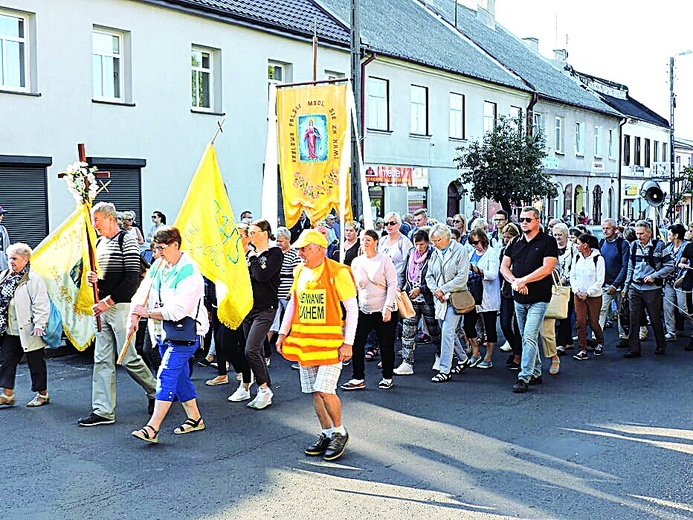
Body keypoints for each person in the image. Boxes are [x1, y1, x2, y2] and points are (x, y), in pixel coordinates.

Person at [276, 229, 358, 461]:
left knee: (325, 389)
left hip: (331, 344)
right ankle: (326, 432)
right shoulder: (299, 271)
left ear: (320, 249)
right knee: (315, 391)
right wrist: (282, 334)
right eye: (300, 248)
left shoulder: (338, 272)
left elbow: (352, 309)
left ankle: (340, 432)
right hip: (306, 344)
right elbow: (293, 303)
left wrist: (348, 343)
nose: (300, 253)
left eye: (305, 248)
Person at [77, 202, 157, 427]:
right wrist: (95, 280)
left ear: (110, 219)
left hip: (120, 307)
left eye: (97, 221)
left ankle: (155, 390)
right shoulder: (100, 242)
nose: (94, 226)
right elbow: (105, 276)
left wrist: (107, 301)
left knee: (128, 358)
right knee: (101, 359)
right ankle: (103, 410)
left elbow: (132, 278)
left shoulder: (127, 239)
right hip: (103, 307)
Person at [128, 226, 209, 443]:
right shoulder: (159, 266)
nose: (158, 253)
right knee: (179, 376)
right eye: (156, 248)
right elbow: (141, 294)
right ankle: (195, 418)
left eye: (162, 248)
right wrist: (133, 318)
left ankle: (152, 428)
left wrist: (147, 313)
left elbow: (178, 310)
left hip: (186, 333)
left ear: (175, 245)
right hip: (163, 332)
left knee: (166, 375)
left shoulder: (190, 271)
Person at [500, 206, 558, 393]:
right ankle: (535, 371)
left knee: (529, 335)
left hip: (539, 297)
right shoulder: (515, 241)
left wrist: (524, 280)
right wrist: (515, 282)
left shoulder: (548, 241)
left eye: (528, 219)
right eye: (522, 219)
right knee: (525, 335)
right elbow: (504, 267)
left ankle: (524, 376)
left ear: (537, 221)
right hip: (518, 297)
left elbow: (547, 268)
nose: (523, 222)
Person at [341, 229, 398, 390]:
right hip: (363, 310)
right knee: (357, 343)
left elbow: (393, 284)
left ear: (375, 242)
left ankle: (387, 376)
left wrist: (387, 307)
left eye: (368, 240)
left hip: (383, 310)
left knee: (385, 345)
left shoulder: (384, 260)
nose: (364, 243)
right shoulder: (357, 262)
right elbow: (353, 287)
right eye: (362, 240)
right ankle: (357, 377)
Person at [0, 243, 51, 407]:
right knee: (6, 361)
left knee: (36, 363)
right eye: (9, 258)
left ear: (25, 259)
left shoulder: (33, 279)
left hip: (29, 329)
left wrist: (39, 324)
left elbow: (41, 303)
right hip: (10, 329)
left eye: (14, 258)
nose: (11, 262)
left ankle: (42, 394)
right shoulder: (4, 276)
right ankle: (8, 395)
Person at [240, 219, 283, 409]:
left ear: (265, 233)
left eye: (254, 231)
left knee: (251, 349)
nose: (251, 235)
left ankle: (265, 388)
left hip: (266, 308)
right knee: (251, 350)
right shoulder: (250, 256)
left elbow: (262, 276)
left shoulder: (274, 253)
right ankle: (255, 387)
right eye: (249, 232)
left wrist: (253, 258)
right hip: (249, 307)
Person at [425, 223, 471, 382]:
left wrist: (443, 289)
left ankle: (445, 370)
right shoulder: (435, 252)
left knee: (447, 332)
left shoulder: (460, 250)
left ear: (447, 238)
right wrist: (435, 290)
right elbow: (429, 275)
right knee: (447, 331)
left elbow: (462, 277)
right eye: (432, 241)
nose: (434, 244)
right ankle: (464, 358)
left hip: (455, 297)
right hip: (440, 299)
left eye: (437, 240)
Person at [623, 220, 674, 358]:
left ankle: (660, 345)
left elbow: (670, 265)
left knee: (654, 318)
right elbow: (630, 267)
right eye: (637, 233)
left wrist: (654, 276)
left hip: (652, 288)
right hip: (635, 287)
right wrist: (626, 287)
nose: (639, 236)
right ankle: (634, 348)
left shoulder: (659, 246)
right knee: (634, 319)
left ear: (649, 233)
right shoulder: (633, 246)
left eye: (642, 234)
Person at [395, 229, 440, 375]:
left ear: (427, 243)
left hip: (427, 298)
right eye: (417, 244)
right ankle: (407, 362)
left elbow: (435, 278)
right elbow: (403, 272)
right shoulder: (410, 254)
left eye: (422, 244)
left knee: (434, 330)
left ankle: (440, 356)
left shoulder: (433, 255)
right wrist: (400, 287)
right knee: (408, 331)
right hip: (411, 297)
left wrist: (420, 289)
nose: (419, 248)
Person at [465, 229, 500, 369]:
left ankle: (489, 357)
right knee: (468, 325)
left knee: (490, 327)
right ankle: (475, 352)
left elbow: (493, 274)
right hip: (473, 295)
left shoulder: (492, 254)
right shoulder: (471, 253)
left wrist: (475, 270)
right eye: (471, 243)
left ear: (483, 240)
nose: (474, 245)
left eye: (476, 242)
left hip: (487, 295)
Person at [570, 234, 606, 360]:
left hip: (594, 296)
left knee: (593, 322)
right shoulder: (577, 257)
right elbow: (572, 276)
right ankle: (582, 349)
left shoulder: (598, 259)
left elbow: (600, 280)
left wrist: (588, 293)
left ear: (585, 245)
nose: (576, 245)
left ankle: (600, 341)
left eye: (578, 243)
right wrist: (576, 291)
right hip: (579, 294)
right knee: (580, 321)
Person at [598, 218, 629, 348]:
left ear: (615, 229)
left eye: (608, 228)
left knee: (622, 313)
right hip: (605, 284)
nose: (605, 231)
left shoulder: (622, 244)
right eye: (603, 228)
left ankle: (624, 337)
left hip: (619, 286)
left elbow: (625, 266)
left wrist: (616, 284)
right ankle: (597, 337)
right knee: (601, 311)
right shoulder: (601, 243)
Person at [498, 224, 522, 369]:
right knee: (505, 324)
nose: (506, 240)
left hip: (520, 289)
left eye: (509, 237)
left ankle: (518, 355)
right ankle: (515, 348)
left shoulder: (522, 250)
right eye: (504, 237)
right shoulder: (503, 251)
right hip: (507, 291)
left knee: (518, 325)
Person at [552, 223, 576, 356]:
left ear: (566, 235)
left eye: (560, 235)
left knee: (566, 313)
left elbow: (575, 266)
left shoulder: (573, 249)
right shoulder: (551, 247)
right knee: (556, 312)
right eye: (555, 235)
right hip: (554, 285)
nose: (557, 237)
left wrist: (565, 278)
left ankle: (561, 343)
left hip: (568, 286)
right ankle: (566, 340)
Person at [662, 224, 687, 341]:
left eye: (670, 234)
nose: (668, 236)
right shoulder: (668, 247)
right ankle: (671, 332)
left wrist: (683, 277)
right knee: (668, 307)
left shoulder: (687, 247)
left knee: (683, 309)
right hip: (669, 281)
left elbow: (690, 264)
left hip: (681, 282)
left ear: (676, 235)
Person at [378, 211, 414, 280]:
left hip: (397, 282)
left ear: (399, 224)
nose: (389, 226)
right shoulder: (382, 241)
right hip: (382, 281)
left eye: (392, 223)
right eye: (386, 224)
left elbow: (409, 265)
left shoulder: (405, 242)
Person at [0, 205, 10, 271]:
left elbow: (7, 250)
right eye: (0, 214)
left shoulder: (3, 230)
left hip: (3, 268)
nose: (2, 216)